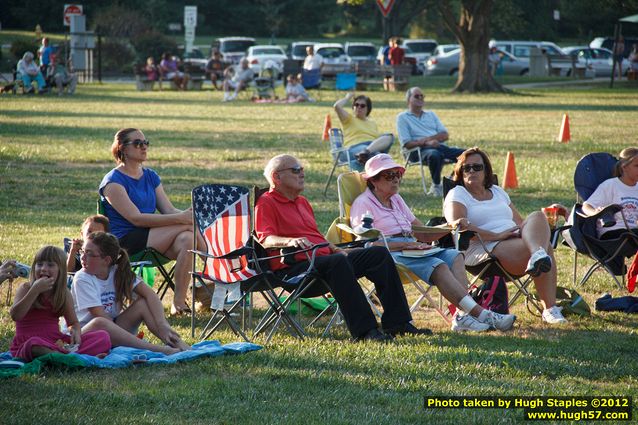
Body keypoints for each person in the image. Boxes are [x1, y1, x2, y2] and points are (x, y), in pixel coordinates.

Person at [255, 154, 432, 342]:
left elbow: (316, 238)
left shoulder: (302, 202)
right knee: (337, 262)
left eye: (302, 169)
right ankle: (366, 331)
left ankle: (398, 323)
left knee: (378, 254)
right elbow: (265, 239)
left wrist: (336, 249)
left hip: (325, 261)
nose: (302, 174)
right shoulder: (267, 202)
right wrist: (289, 242)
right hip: (295, 269)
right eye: (295, 170)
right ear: (277, 177)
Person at [350, 154, 516, 332]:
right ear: (373, 180)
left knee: (455, 256)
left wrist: (450, 226)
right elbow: (367, 245)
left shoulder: (396, 200)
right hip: (391, 254)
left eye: (398, 174)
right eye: (389, 176)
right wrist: (405, 245)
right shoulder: (363, 204)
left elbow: (422, 233)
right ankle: (483, 314)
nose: (396, 179)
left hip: (412, 248)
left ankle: (462, 317)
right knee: (439, 266)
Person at [443, 147, 567, 324]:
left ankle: (537, 255)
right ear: (460, 172)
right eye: (466, 168)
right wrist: (497, 235)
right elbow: (458, 226)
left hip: (513, 239)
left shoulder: (498, 192)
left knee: (537, 216)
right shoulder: (457, 194)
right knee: (544, 247)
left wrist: (523, 231)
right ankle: (550, 308)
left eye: (477, 167)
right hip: (484, 249)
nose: (471, 171)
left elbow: (519, 222)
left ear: (486, 171)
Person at [99, 128, 202, 316]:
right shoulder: (113, 182)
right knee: (188, 227)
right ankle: (221, 273)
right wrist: (182, 219)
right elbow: (136, 219)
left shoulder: (150, 176)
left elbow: (169, 210)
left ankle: (178, 303)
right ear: (122, 148)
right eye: (138, 143)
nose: (144, 147)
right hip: (126, 242)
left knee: (188, 237)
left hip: (153, 237)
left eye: (146, 142)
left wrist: (190, 215)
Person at [73, 232, 190, 354]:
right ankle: (159, 350)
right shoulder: (82, 278)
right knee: (100, 322)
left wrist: (162, 324)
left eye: (89, 253)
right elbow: (100, 316)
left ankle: (179, 344)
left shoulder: (118, 272)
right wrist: (126, 338)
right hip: (83, 335)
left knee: (143, 304)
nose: (82, 257)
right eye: (82, 251)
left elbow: (150, 295)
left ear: (106, 260)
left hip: (112, 328)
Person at [9, 246, 111, 362]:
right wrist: (35, 290)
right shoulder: (26, 288)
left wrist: (75, 332)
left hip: (55, 342)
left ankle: (63, 357)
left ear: (60, 270)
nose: (43, 269)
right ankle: (74, 359)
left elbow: (73, 322)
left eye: (50, 265)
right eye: (39, 264)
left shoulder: (63, 293)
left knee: (103, 337)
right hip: (29, 343)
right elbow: (15, 315)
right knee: (34, 345)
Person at [396, 87, 465, 196]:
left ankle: (451, 181)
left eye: (422, 96)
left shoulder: (431, 115)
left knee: (467, 154)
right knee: (434, 154)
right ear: (408, 99)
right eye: (416, 96)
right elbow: (407, 144)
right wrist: (426, 143)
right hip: (416, 151)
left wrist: (430, 140)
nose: (420, 98)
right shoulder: (402, 118)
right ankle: (436, 186)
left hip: (439, 147)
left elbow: (445, 135)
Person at [582, 147, 638, 238]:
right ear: (624, 167)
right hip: (611, 232)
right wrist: (595, 212)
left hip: (633, 232)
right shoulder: (610, 185)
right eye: (637, 166)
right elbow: (586, 206)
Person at [333, 92, 394, 171]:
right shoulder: (349, 119)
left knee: (389, 136)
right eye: (356, 105)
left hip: (371, 147)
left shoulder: (372, 124)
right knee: (378, 156)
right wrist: (347, 98)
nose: (359, 107)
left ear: (368, 109)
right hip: (353, 148)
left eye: (362, 106)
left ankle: (365, 153)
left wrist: (368, 150)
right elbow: (337, 106)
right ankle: (367, 155)